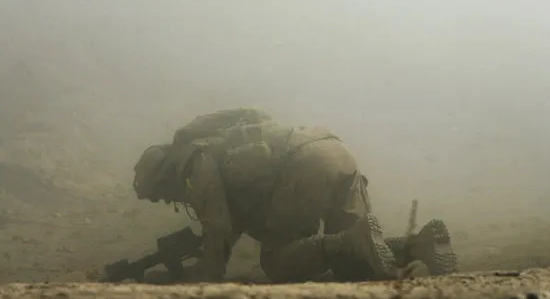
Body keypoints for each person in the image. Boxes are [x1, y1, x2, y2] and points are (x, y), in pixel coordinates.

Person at [132, 108, 456, 282]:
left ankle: (350, 238)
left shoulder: (195, 165)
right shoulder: (225, 145)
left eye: (159, 194)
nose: (165, 201)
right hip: (335, 152)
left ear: (164, 175)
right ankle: (419, 244)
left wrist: (199, 275)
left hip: (304, 165)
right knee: (355, 267)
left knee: (279, 263)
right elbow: (231, 223)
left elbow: (218, 228)